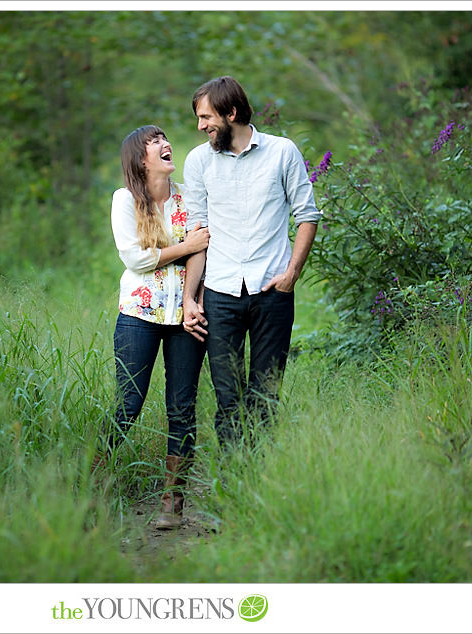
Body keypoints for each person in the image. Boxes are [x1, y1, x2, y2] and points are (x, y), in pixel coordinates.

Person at [182, 76, 321, 447]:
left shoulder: (282, 152)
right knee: (228, 399)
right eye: (199, 118)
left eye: (206, 117)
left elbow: (307, 215)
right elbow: (199, 235)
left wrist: (292, 273)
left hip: (272, 290)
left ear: (231, 112)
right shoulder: (198, 161)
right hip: (220, 292)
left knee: (265, 396)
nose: (201, 126)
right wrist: (190, 298)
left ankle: (258, 481)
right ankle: (231, 484)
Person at [103, 125, 210, 529]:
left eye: (164, 137)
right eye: (154, 141)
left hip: (186, 317)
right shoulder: (125, 200)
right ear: (139, 157)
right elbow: (137, 260)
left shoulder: (190, 196)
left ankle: (173, 501)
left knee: (181, 407)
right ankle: (94, 483)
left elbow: (205, 247)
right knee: (128, 404)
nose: (165, 143)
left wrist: (191, 300)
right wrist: (185, 248)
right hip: (138, 315)